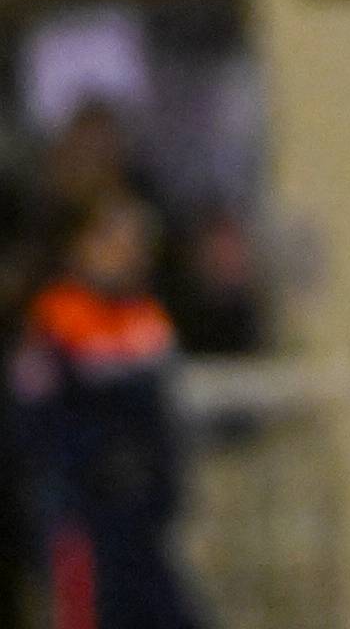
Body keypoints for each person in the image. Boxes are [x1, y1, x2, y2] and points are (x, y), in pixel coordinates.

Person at [9, 194, 201, 629]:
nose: (128, 251)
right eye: (113, 239)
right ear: (81, 245)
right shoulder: (57, 318)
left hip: (144, 522)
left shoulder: (148, 320)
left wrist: (164, 488)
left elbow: (163, 420)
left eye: (135, 241)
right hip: (83, 518)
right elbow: (37, 425)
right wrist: (91, 469)